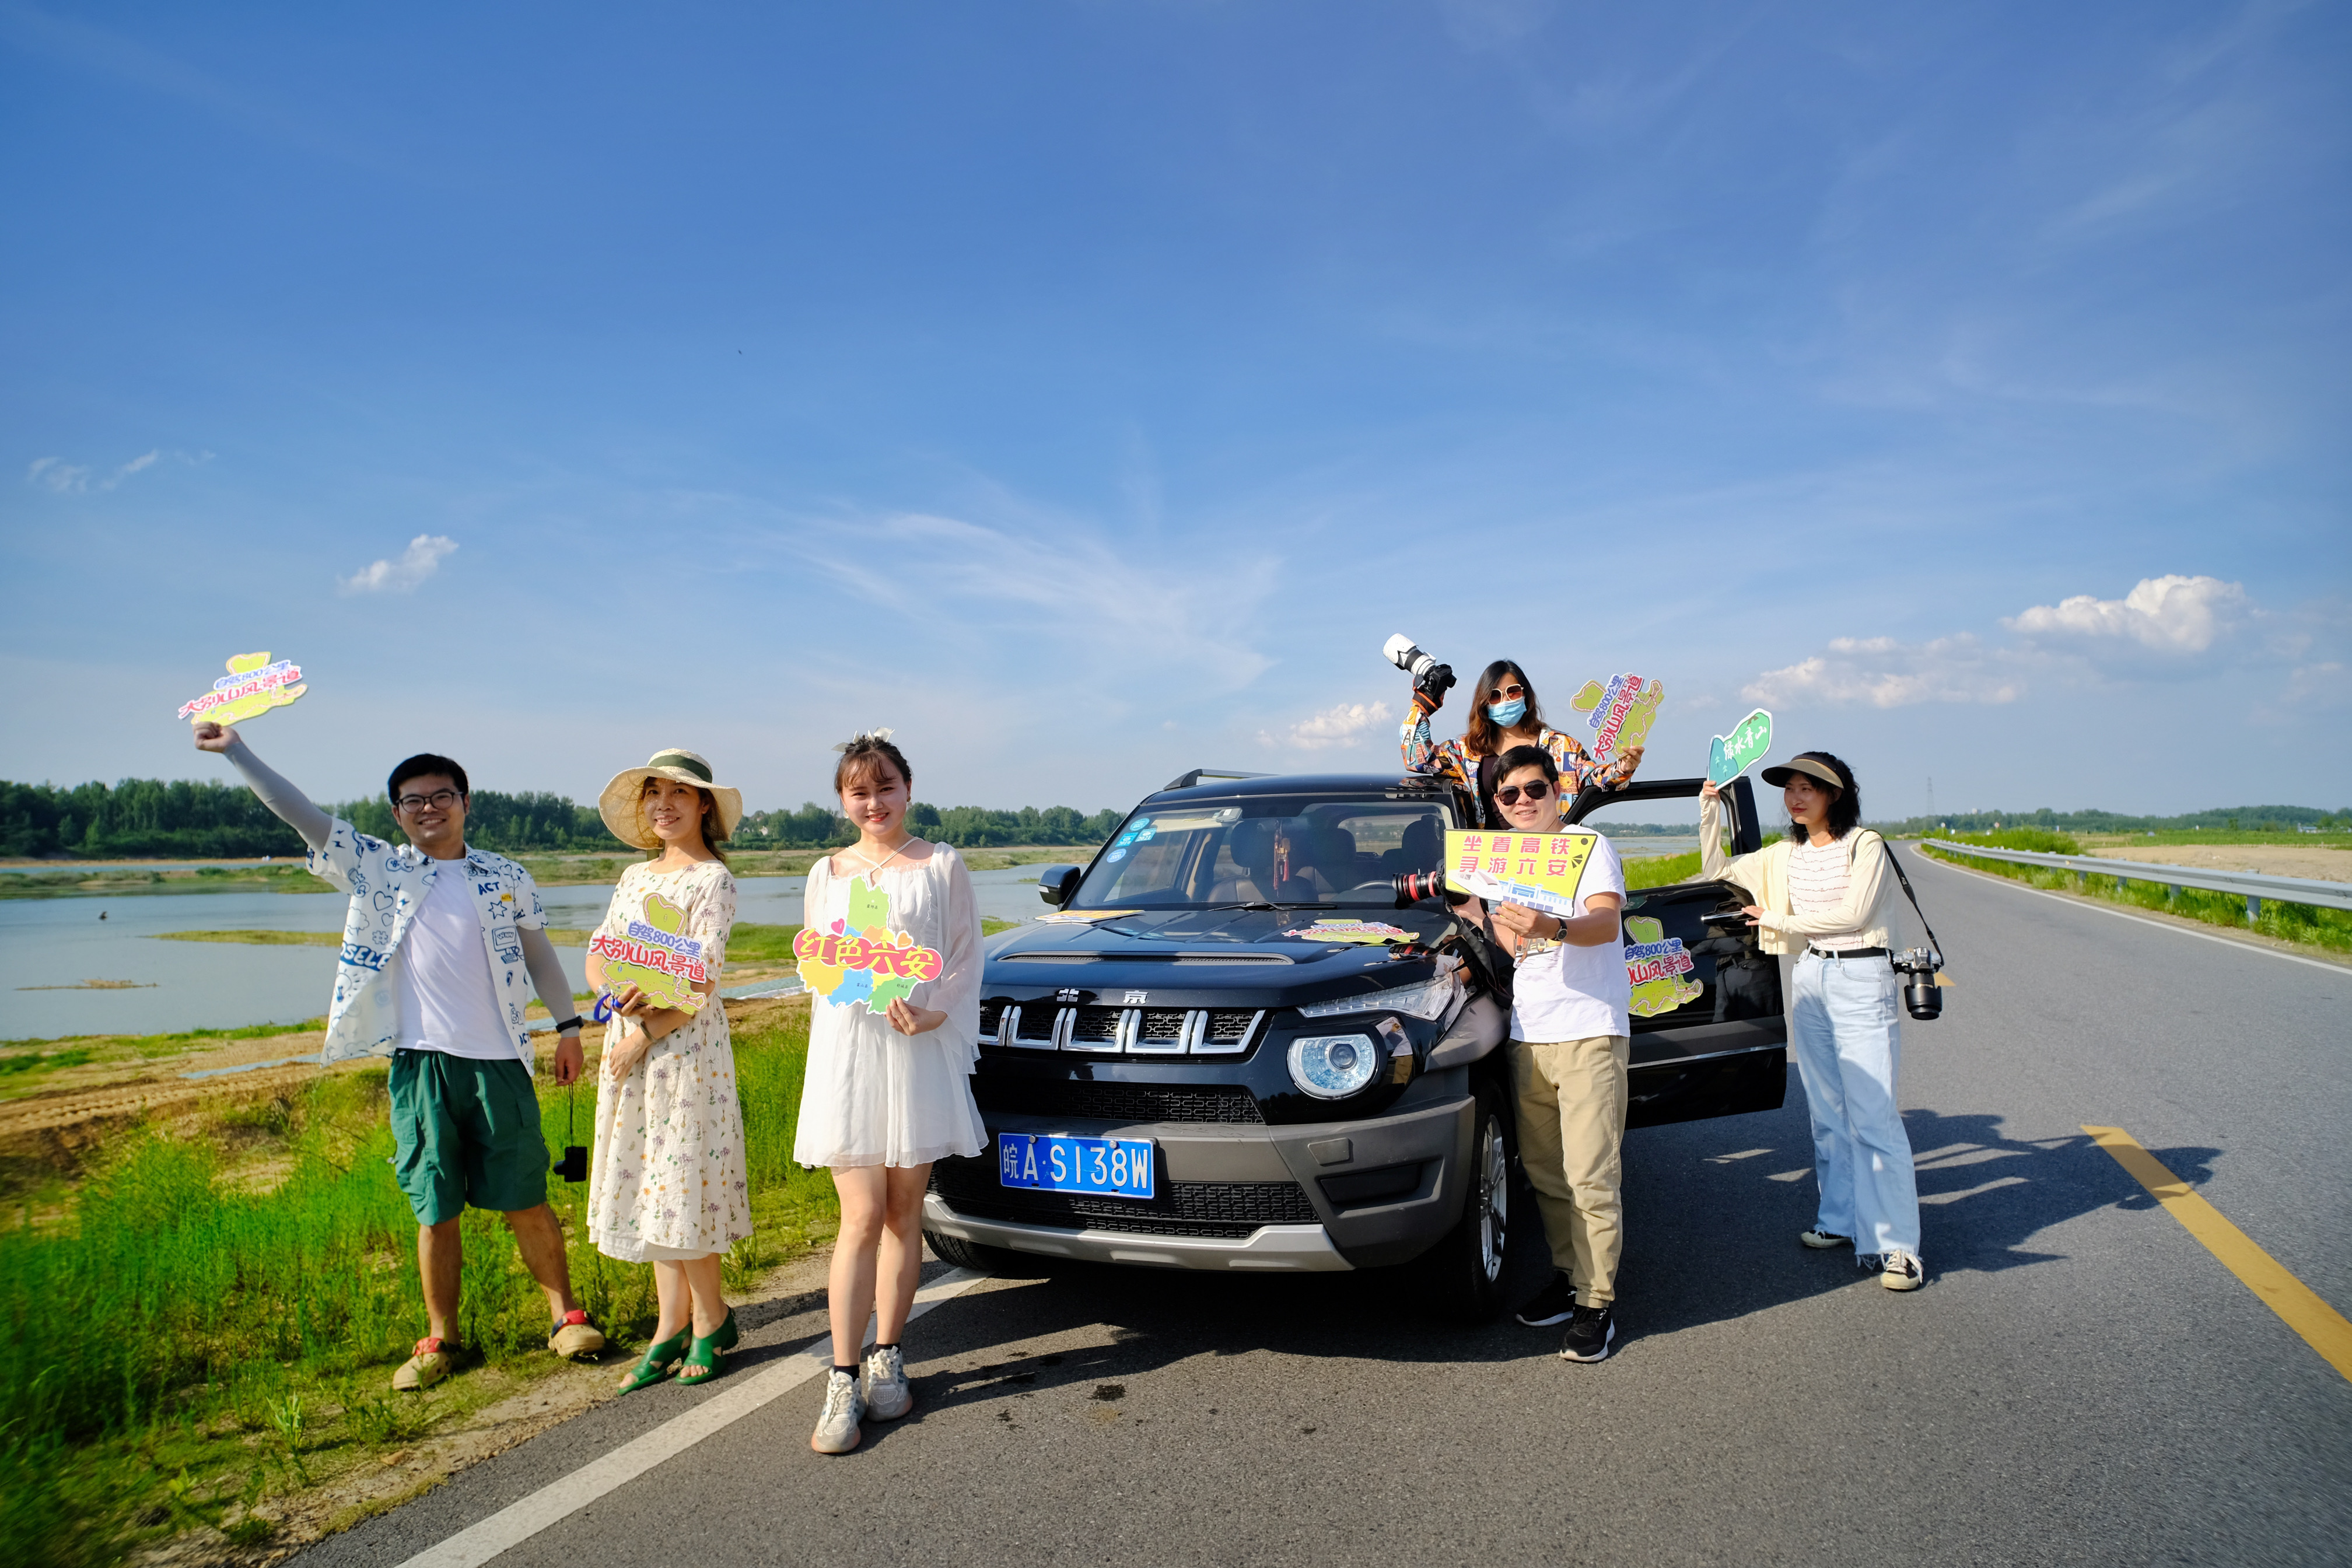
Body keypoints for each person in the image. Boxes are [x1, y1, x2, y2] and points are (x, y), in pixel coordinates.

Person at [191, 720, 608, 1390]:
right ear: (397, 814)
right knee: (433, 1207)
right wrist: (237, 750)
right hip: (419, 1065)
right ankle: (441, 1340)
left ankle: (565, 1317)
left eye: (441, 796)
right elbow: (300, 813)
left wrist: (566, 1027)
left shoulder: (504, 875)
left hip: (500, 1060)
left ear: (465, 802)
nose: (428, 808)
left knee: (525, 1197)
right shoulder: (381, 866)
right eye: (412, 801)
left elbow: (537, 953)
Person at [791, 731, 986, 1454]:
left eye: (886, 788)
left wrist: (937, 1009)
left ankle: (888, 1357)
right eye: (859, 791)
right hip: (850, 1055)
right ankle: (841, 1374)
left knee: (907, 1212)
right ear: (843, 800)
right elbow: (820, 963)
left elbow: (966, 956)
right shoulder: (827, 871)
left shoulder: (942, 865)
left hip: (917, 1049)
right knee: (861, 1215)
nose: (874, 803)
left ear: (909, 789)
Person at [1700, 752, 1922, 1290]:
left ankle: (1898, 1248)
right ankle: (1840, 1220)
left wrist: (1775, 919)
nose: (1796, 798)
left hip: (1862, 978)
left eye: (1809, 788)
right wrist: (1708, 812)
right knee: (1827, 1113)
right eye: (1790, 788)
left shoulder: (1864, 845)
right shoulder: (1784, 854)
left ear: (1836, 795)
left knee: (1872, 1115)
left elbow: (1853, 916)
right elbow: (1718, 871)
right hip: (1811, 976)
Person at [586, 749, 752, 1392]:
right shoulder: (634, 877)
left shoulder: (713, 880)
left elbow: (702, 977)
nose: (665, 804)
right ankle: (670, 1326)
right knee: (650, 1186)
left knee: (681, 1184)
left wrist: (646, 1033)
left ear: (703, 805)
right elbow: (601, 951)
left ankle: (711, 1319)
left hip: (683, 1053)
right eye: (654, 793)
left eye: (680, 793)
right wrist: (610, 1000)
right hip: (630, 1040)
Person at [1475, 746, 1632, 1363]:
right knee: (1545, 1174)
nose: (1522, 803)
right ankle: (1571, 1281)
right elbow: (1511, 948)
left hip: (1591, 1029)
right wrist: (1481, 915)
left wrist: (1552, 926)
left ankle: (1598, 1303)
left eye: (1533, 790)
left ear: (1557, 790)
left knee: (1592, 1174)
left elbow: (1605, 924)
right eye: (1508, 795)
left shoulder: (1589, 847)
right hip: (1527, 1035)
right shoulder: (1502, 861)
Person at [1400, 658, 1643, 825]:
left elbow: (1595, 781)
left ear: (1526, 695)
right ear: (1484, 703)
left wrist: (1625, 767)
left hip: (1549, 855)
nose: (1505, 700)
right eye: (1495, 696)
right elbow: (1416, 758)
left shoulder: (1561, 747)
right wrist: (1423, 705)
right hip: (1492, 862)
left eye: (1513, 692)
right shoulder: (1466, 751)